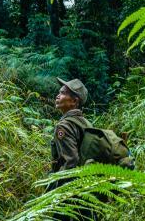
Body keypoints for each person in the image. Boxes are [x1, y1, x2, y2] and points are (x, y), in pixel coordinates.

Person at [49, 77, 95, 220]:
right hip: (89, 187)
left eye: (62, 93)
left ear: (75, 101)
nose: (58, 96)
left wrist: (55, 190)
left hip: (71, 191)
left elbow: (71, 162)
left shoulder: (64, 126)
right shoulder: (86, 123)